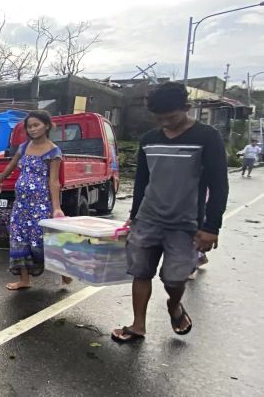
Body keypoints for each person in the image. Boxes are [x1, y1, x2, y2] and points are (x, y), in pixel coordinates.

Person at [112, 82, 229, 343]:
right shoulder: (149, 140)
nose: (166, 124)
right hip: (148, 219)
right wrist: (134, 215)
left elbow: (219, 185)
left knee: (174, 279)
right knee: (140, 272)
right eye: (160, 119)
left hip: (185, 224)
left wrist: (211, 227)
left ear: (186, 108)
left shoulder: (206, 137)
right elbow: (142, 181)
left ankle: (174, 306)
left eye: (171, 117)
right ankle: (138, 325)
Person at [0, 110, 68, 291]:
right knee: (18, 239)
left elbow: (54, 181)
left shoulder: (53, 151)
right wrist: (0, 180)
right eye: (29, 126)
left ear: (47, 125)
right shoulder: (24, 146)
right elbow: (11, 165)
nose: (32, 129)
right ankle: (24, 280)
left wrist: (56, 208)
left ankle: (65, 272)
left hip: (41, 205)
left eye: (36, 125)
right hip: (21, 205)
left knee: (41, 242)